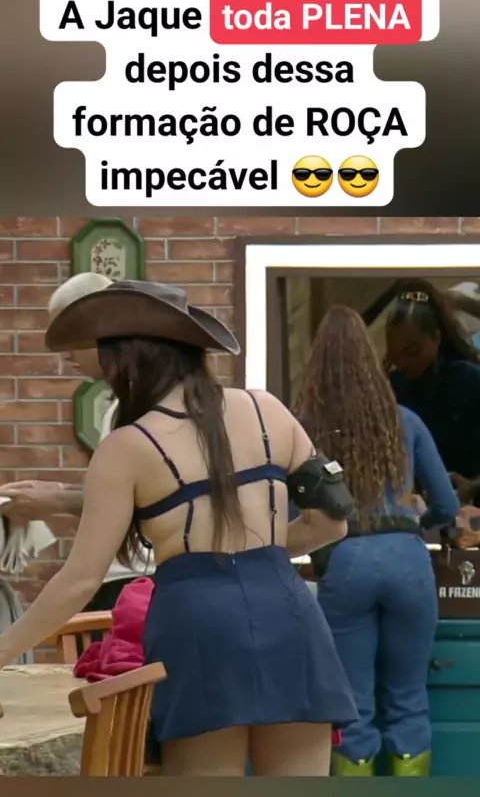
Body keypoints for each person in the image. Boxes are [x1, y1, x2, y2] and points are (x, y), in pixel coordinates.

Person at [0, 280, 358, 777]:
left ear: (126, 359)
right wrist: (256, 549)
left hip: (198, 626)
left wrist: (3, 649)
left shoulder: (126, 447)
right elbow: (332, 523)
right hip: (289, 616)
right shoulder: (268, 410)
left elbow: (80, 580)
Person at [294, 305, 467, 777]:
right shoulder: (405, 421)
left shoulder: (305, 427)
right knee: (409, 700)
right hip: (408, 559)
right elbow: (447, 505)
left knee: (353, 706)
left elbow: (289, 512)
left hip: (346, 561)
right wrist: (415, 521)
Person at [0, 272, 156, 610]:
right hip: (118, 579)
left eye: (72, 333)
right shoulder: (118, 408)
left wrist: (57, 499)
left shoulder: (155, 405)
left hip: (144, 582)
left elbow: (155, 495)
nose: (64, 350)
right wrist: (53, 492)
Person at [385, 278, 480, 480]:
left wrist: (473, 487)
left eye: (412, 352)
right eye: (395, 355)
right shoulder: (393, 388)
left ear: (436, 337)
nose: (403, 362)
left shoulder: (469, 382)